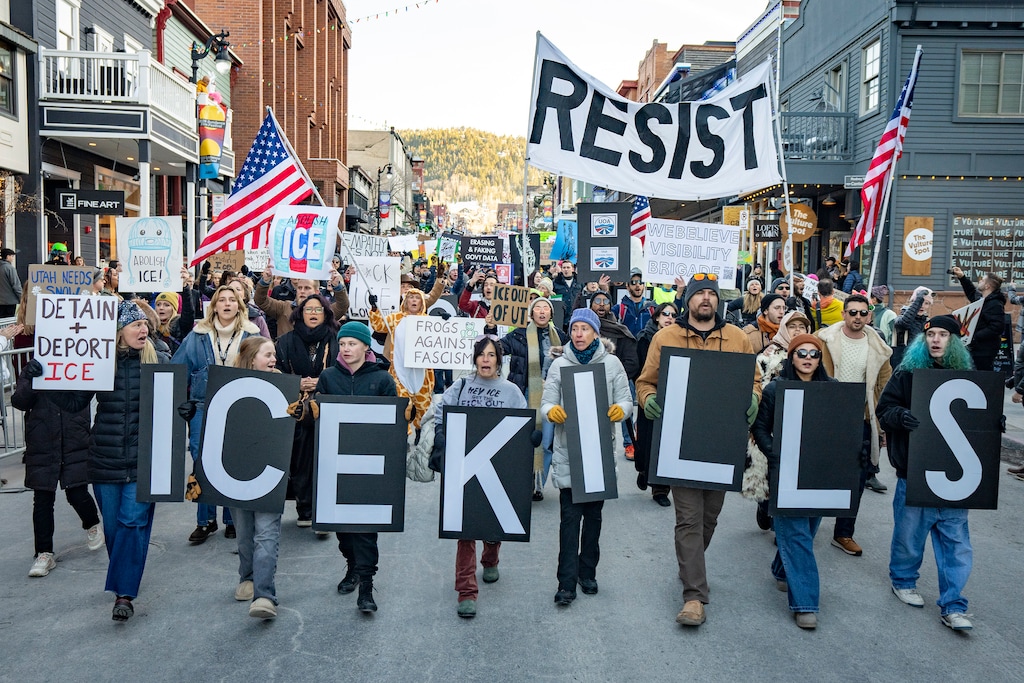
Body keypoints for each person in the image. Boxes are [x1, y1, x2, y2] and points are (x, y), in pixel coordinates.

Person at [25, 301, 168, 620]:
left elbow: (175, 402)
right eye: (135, 325)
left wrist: (183, 409)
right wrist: (43, 380)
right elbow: (75, 402)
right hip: (105, 459)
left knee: (132, 523)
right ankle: (125, 580)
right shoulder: (100, 363)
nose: (143, 329)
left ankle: (124, 595)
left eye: (145, 324)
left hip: (145, 461)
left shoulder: (159, 360)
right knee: (116, 529)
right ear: (119, 332)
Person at [635, 274, 761, 628]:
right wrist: (648, 399)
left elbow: (754, 378)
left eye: (711, 293)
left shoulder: (737, 338)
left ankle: (691, 564)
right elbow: (645, 380)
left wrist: (754, 396)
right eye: (699, 294)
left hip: (721, 442)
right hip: (679, 441)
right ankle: (694, 595)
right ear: (688, 299)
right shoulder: (665, 337)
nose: (706, 299)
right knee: (688, 518)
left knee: (709, 517)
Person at [876, 315, 977, 631]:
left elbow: (976, 422)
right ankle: (903, 580)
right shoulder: (906, 375)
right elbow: (884, 409)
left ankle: (953, 605)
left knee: (956, 543)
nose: (935, 339)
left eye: (943, 334)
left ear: (954, 341)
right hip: (914, 470)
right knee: (909, 536)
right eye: (930, 334)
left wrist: (992, 423)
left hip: (955, 476)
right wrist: (900, 415)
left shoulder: (967, 379)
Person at [542, 307, 632, 607]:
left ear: (596, 332)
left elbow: (625, 399)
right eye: (575, 328)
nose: (579, 334)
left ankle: (587, 572)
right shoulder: (558, 365)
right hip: (570, 451)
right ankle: (565, 583)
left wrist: (621, 410)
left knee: (593, 518)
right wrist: (550, 412)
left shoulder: (612, 364)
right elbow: (547, 401)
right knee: (569, 520)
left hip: (599, 453)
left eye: (585, 328)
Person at [434, 336, 528, 618]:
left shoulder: (511, 391)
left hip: (496, 468)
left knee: (491, 523)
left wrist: (529, 439)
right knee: (465, 530)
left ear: (499, 360)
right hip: (464, 465)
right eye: (481, 355)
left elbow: (522, 420)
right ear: (475, 359)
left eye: (491, 355)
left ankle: (491, 558)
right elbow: (441, 408)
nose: (485, 359)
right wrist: (440, 431)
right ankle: (466, 591)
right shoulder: (461, 386)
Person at [752, 334, 836, 630]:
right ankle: (805, 603)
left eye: (814, 353)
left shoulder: (833, 390)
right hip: (785, 472)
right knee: (798, 535)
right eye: (801, 352)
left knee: (808, 529)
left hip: (820, 474)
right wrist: (775, 454)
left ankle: (781, 569)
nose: (808, 358)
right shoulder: (775, 389)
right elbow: (759, 427)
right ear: (791, 356)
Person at [316, 321, 398, 613]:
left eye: (353, 343)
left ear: (366, 346)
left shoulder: (383, 380)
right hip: (336, 465)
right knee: (342, 529)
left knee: (365, 529)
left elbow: (393, 425)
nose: (347, 348)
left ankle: (366, 586)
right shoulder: (327, 377)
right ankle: (351, 564)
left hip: (370, 467)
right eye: (343, 343)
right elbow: (319, 418)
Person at [13, 324, 104, 578]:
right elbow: (19, 401)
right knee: (42, 499)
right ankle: (44, 553)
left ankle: (92, 523)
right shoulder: (33, 367)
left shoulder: (79, 365)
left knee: (77, 491)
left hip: (74, 438)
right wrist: (31, 378)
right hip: (43, 440)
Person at [172, 285, 261, 544]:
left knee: (232, 460)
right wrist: (182, 401)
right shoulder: (197, 335)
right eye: (221, 299)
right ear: (214, 306)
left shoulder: (251, 334)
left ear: (239, 305)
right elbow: (178, 367)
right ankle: (205, 520)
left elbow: (264, 366)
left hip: (239, 406)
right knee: (202, 461)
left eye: (231, 299)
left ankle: (232, 520)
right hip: (203, 405)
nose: (226, 303)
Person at [817, 294, 893, 554]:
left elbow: (884, 387)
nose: (858, 317)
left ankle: (844, 533)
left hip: (861, 419)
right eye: (853, 312)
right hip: (827, 417)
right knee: (817, 473)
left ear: (869, 316)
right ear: (844, 314)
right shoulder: (825, 339)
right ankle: (805, 524)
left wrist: (880, 426)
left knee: (857, 479)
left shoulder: (878, 347)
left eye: (862, 313)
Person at [229, 337, 285, 619]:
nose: (273, 358)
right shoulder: (228, 387)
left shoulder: (285, 386)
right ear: (252, 359)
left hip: (269, 472)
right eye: (267, 354)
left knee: (266, 533)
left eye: (274, 354)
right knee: (244, 533)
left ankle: (264, 595)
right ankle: (247, 577)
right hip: (236, 472)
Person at [275, 294, 339, 528]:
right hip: (297, 410)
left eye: (318, 309)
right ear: (300, 313)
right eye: (308, 309)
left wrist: (322, 380)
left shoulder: (336, 339)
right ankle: (305, 508)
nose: (313, 313)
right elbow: (276, 370)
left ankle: (325, 509)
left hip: (328, 408)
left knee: (327, 458)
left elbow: (344, 369)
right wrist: (297, 383)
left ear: (326, 313)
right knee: (301, 459)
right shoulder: (285, 341)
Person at [744, 310, 812, 530]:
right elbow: (757, 387)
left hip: (800, 424)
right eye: (793, 326)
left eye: (802, 327)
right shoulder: (767, 356)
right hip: (770, 422)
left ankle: (783, 519)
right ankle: (766, 507)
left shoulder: (813, 355)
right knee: (768, 471)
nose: (797, 331)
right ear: (784, 328)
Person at [499, 296, 566, 501]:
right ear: (531, 313)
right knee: (522, 441)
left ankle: (537, 485)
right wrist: (491, 329)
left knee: (545, 443)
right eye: (538, 308)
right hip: (525, 393)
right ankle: (520, 480)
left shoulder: (562, 338)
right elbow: (496, 349)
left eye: (546, 307)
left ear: (551, 313)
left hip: (551, 396)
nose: (542, 311)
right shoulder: (518, 336)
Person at [634, 302, 678, 507]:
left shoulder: (680, 340)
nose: (669, 317)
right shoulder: (645, 338)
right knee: (646, 443)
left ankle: (660, 489)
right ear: (657, 317)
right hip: (649, 395)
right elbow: (642, 370)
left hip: (672, 397)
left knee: (664, 444)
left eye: (674, 314)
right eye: (665, 314)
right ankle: (644, 470)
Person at [254, 258, 349, 337]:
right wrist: (265, 281)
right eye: (300, 288)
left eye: (307, 288)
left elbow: (342, 306)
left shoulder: (324, 310)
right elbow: (261, 301)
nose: (302, 291)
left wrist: (337, 286)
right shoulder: (284, 307)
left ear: (317, 291)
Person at [951, 266, 1007, 371]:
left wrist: (975, 337)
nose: (979, 281)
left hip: (985, 350)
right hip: (976, 347)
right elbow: (972, 292)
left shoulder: (995, 304)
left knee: (982, 376)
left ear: (987, 286)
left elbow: (997, 327)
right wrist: (962, 277)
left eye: (982, 280)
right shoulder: (982, 300)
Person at [892, 286, 932, 367]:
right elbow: (904, 323)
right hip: (902, 364)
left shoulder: (927, 322)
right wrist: (918, 301)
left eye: (926, 303)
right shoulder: (900, 318)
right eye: (921, 302)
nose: (922, 306)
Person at [552, 261, 582, 330]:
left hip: (576, 317)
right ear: (561, 269)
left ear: (572, 269)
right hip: (562, 319)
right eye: (564, 267)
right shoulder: (556, 282)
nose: (566, 269)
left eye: (568, 267)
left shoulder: (579, 282)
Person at [0, 247, 22, 317]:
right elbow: (16, 285)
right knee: (9, 323)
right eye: (12, 256)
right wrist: (22, 298)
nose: (13, 258)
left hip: (1, 301)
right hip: (10, 301)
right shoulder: (9, 268)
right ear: (7, 256)